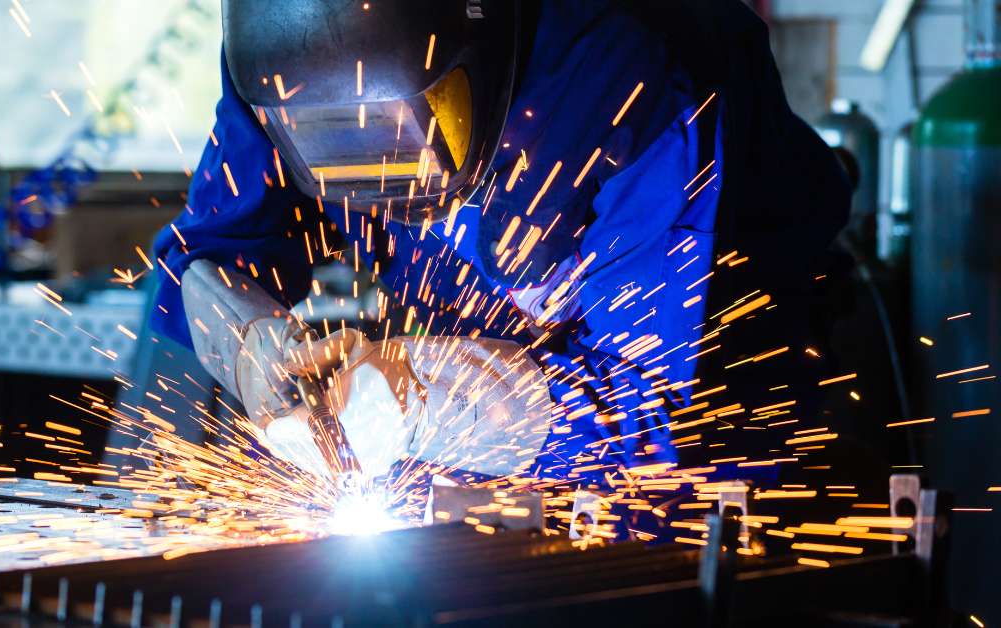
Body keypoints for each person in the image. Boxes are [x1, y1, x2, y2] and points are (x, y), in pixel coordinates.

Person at [152, 0, 850, 487]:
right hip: (476, 457)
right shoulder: (278, 60)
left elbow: (654, 410)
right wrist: (252, 350)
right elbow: (209, 255)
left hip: (714, 459)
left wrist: (421, 399)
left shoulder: (636, 74)